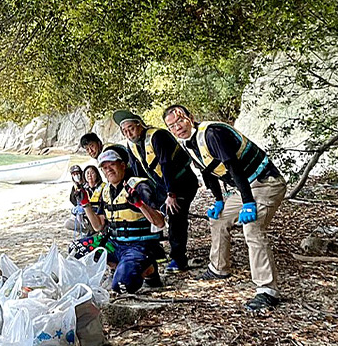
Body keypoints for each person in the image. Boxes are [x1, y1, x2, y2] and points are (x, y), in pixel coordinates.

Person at [163, 104, 287, 312]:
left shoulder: (212, 134)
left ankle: (267, 290)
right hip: (245, 187)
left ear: (191, 117)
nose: (178, 127)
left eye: (181, 120)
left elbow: (233, 167)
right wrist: (218, 200)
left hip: (266, 182)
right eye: (172, 126)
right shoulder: (187, 144)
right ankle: (219, 268)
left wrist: (247, 203)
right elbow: (208, 172)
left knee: (252, 227)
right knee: (219, 218)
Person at [113, 110, 199, 273]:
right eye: (124, 131)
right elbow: (137, 171)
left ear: (140, 125)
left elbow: (166, 165)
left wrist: (171, 194)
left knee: (175, 215)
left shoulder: (157, 136)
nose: (128, 133)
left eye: (131, 128)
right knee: (146, 206)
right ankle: (155, 247)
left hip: (182, 182)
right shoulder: (131, 145)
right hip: (161, 185)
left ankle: (179, 259)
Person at [84, 148, 167, 293]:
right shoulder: (106, 190)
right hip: (115, 244)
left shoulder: (139, 186)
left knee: (122, 286)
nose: (108, 170)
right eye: (104, 168)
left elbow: (159, 223)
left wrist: (140, 204)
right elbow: (98, 226)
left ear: (122, 165)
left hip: (138, 245)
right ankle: (117, 266)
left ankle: (149, 269)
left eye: (112, 165)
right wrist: (85, 204)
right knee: (78, 250)